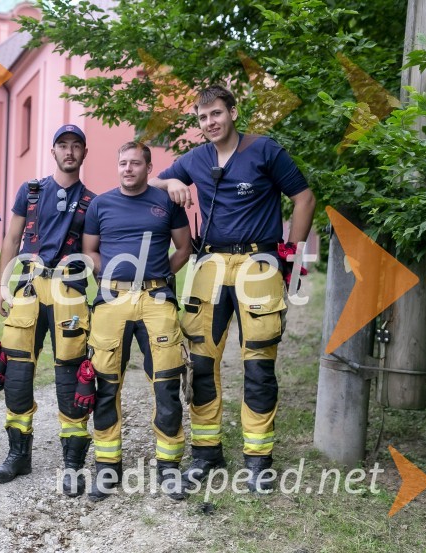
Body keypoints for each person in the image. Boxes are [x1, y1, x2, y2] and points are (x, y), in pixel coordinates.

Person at [149, 85, 316, 493]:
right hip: (210, 265)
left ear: (233, 113)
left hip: (259, 263)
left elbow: (304, 198)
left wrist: (291, 256)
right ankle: (207, 453)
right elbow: (152, 180)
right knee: (201, 362)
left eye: (217, 114)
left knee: (258, 364)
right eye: (203, 117)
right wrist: (170, 185)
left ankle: (258, 461)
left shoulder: (264, 150)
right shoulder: (196, 158)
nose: (211, 122)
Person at [0, 124, 97, 496]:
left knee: (70, 373)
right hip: (28, 287)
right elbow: (11, 238)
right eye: (63, 145)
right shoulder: (31, 191)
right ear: (53, 151)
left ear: (84, 153)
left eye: (76, 146)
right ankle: (19, 456)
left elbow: (95, 250)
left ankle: (73, 464)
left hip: (70, 290)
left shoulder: (92, 202)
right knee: (17, 372)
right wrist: (2, 284)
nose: (69, 151)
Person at [82, 141, 192, 501]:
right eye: (123, 163)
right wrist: (111, 275)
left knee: (166, 382)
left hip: (157, 300)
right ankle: (107, 467)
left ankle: (169, 466)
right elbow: (89, 250)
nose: (128, 169)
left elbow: (184, 248)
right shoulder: (100, 205)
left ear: (148, 167)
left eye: (135, 163)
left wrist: (158, 275)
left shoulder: (166, 203)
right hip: (111, 300)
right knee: (105, 384)